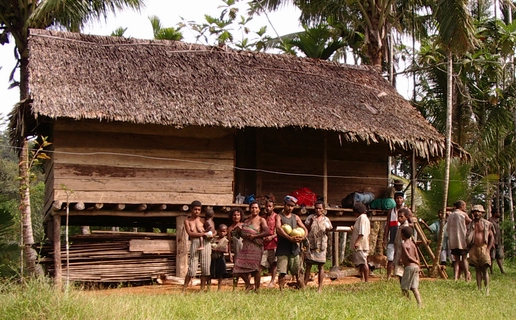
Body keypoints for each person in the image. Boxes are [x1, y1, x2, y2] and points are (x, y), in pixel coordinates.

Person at [232, 201, 270, 292]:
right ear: (250, 209)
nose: (254, 209)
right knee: (237, 267)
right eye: (252, 207)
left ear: (259, 209)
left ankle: (257, 289)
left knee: (256, 269)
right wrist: (238, 231)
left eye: (256, 208)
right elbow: (245, 235)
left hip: (256, 246)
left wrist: (255, 236)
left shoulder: (261, 220)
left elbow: (267, 232)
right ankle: (249, 285)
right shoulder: (246, 221)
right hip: (246, 247)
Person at [276, 195, 308, 290]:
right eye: (288, 205)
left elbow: (305, 229)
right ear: (284, 204)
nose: (290, 208)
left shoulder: (296, 217)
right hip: (283, 248)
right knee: (282, 272)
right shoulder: (279, 216)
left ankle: (303, 290)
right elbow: (278, 229)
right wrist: (289, 238)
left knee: (298, 271)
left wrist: (303, 237)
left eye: (292, 206)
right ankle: (281, 291)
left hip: (294, 248)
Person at [303, 201, 333, 293]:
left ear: (323, 209)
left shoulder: (326, 220)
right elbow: (305, 228)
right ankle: (304, 285)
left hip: (321, 246)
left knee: (321, 266)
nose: (318, 210)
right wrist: (311, 222)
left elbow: (329, 230)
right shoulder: (310, 218)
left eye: (320, 208)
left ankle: (320, 287)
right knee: (308, 265)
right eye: (316, 208)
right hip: (311, 245)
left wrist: (328, 230)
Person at [183, 200, 212, 292]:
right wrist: (201, 234)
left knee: (205, 267)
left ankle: (202, 289)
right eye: (195, 209)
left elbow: (211, 229)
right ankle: (184, 289)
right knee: (192, 267)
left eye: (199, 210)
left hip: (206, 243)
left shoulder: (203, 220)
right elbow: (190, 233)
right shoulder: (187, 221)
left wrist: (210, 234)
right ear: (191, 209)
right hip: (195, 243)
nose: (197, 211)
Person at [467, 205, 494, 295]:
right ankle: (479, 289)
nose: (477, 213)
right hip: (474, 248)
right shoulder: (470, 225)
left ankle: (487, 290)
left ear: (482, 213)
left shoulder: (487, 224)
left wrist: (488, 249)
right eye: (475, 211)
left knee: (485, 269)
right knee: (477, 269)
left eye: (479, 211)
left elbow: (491, 237)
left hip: (484, 247)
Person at [447, 200, 472, 281]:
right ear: (462, 206)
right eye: (464, 206)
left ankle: (455, 277)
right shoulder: (463, 214)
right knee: (464, 259)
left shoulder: (450, 215)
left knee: (456, 260)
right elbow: (470, 222)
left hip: (453, 241)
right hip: (462, 240)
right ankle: (466, 277)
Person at [383, 191, 405, 279]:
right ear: (395, 200)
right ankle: (388, 276)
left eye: (400, 198)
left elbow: (412, 223)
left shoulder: (406, 210)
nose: (399, 200)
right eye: (397, 198)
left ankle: (401, 275)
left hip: (402, 238)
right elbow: (387, 225)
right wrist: (385, 238)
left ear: (403, 199)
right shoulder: (391, 211)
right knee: (390, 258)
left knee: (402, 258)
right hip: (392, 237)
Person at [399, 226, 422, 307]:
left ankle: (407, 303)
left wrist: (415, 261)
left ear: (402, 235)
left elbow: (408, 256)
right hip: (416, 267)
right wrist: (418, 263)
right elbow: (417, 255)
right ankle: (420, 304)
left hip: (409, 267)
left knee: (404, 287)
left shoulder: (404, 244)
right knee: (414, 288)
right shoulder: (412, 244)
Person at [350, 203, 371, 282]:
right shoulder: (364, 218)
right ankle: (362, 279)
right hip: (363, 243)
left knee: (363, 262)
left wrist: (357, 242)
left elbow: (361, 233)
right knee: (361, 263)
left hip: (361, 244)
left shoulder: (362, 218)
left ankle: (366, 280)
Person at [260, 199, 278, 288]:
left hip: (273, 242)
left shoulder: (277, 217)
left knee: (274, 263)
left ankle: (272, 281)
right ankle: (258, 281)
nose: (268, 208)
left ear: (273, 207)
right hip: (264, 243)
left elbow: (280, 230)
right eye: (267, 206)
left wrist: (272, 236)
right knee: (261, 263)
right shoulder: (263, 218)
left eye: (270, 206)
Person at [227, 207, 244, 289]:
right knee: (236, 270)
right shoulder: (230, 228)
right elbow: (229, 242)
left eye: (238, 215)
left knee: (245, 269)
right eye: (234, 215)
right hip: (236, 252)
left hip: (244, 251)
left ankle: (248, 285)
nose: (236, 217)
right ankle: (234, 287)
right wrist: (230, 253)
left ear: (241, 216)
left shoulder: (243, 225)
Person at [393, 208, 411, 280]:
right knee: (400, 273)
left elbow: (405, 244)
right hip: (398, 252)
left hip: (402, 254)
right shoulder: (400, 227)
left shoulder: (405, 228)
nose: (399, 218)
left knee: (401, 273)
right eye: (398, 217)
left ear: (406, 217)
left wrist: (401, 257)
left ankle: (405, 289)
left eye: (401, 217)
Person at [210, 224, 229, 291]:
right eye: (220, 231)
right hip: (213, 258)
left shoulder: (225, 240)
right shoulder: (214, 239)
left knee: (220, 275)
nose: (222, 233)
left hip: (220, 258)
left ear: (226, 232)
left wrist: (216, 250)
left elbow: (226, 250)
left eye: (224, 231)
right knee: (210, 273)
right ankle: (208, 287)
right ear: (218, 231)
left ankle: (219, 288)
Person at [488, 208, 505, 274]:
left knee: (499, 257)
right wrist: (491, 243)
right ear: (495, 213)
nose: (499, 214)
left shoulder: (497, 221)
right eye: (498, 212)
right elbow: (489, 232)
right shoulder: (490, 221)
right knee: (492, 257)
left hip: (498, 242)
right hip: (493, 242)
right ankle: (491, 271)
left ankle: (502, 270)